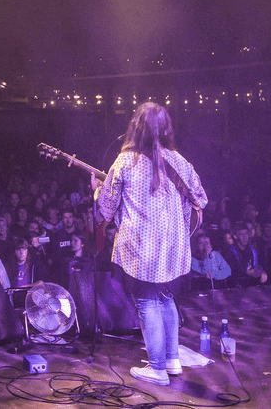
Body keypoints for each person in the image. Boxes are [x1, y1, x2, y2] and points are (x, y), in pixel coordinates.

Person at [93, 102, 207, 387]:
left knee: (146, 300)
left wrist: (95, 188)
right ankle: (172, 360)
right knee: (165, 297)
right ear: (166, 128)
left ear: (136, 127)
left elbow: (106, 211)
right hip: (172, 248)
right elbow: (200, 199)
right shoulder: (180, 161)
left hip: (141, 248)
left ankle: (157, 368)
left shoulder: (125, 162)